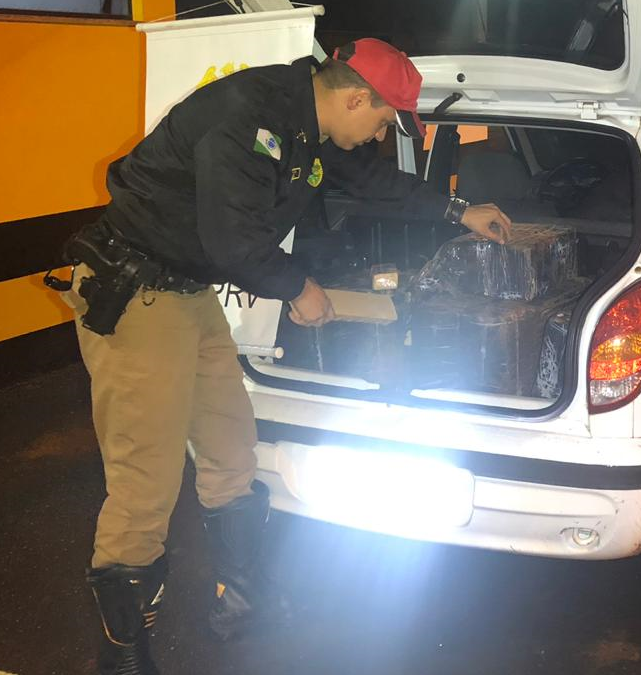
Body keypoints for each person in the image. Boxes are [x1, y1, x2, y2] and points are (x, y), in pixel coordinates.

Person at [55, 38, 511, 675]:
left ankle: (244, 602)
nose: (380, 134)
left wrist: (460, 211)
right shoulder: (244, 117)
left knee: (231, 451)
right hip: (134, 295)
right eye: (383, 121)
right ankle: (122, 657)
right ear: (356, 97)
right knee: (145, 483)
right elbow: (233, 239)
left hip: (186, 291)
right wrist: (299, 288)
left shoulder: (308, 121)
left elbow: (370, 181)